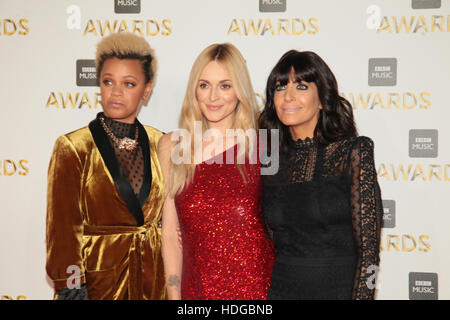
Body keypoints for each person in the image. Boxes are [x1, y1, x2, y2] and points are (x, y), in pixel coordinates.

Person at [46, 32, 166, 300]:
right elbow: (63, 229)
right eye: (108, 81)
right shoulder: (74, 146)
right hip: (100, 284)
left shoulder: (162, 142)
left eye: (129, 83)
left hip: (152, 281)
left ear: (146, 89)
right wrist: (71, 287)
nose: (116, 92)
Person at [259, 50, 383, 300]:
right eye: (280, 87)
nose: (288, 96)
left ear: (322, 100)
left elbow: (369, 252)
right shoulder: (270, 161)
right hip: (282, 291)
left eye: (302, 86)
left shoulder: (353, 152)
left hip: (338, 290)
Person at [158, 43, 275, 300]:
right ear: (194, 90)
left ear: (239, 90)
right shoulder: (173, 146)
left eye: (225, 85)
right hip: (196, 291)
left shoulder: (264, 145)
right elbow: (169, 234)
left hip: (257, 291)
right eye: (204, 85)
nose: (213, 97)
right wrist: (175, 295)